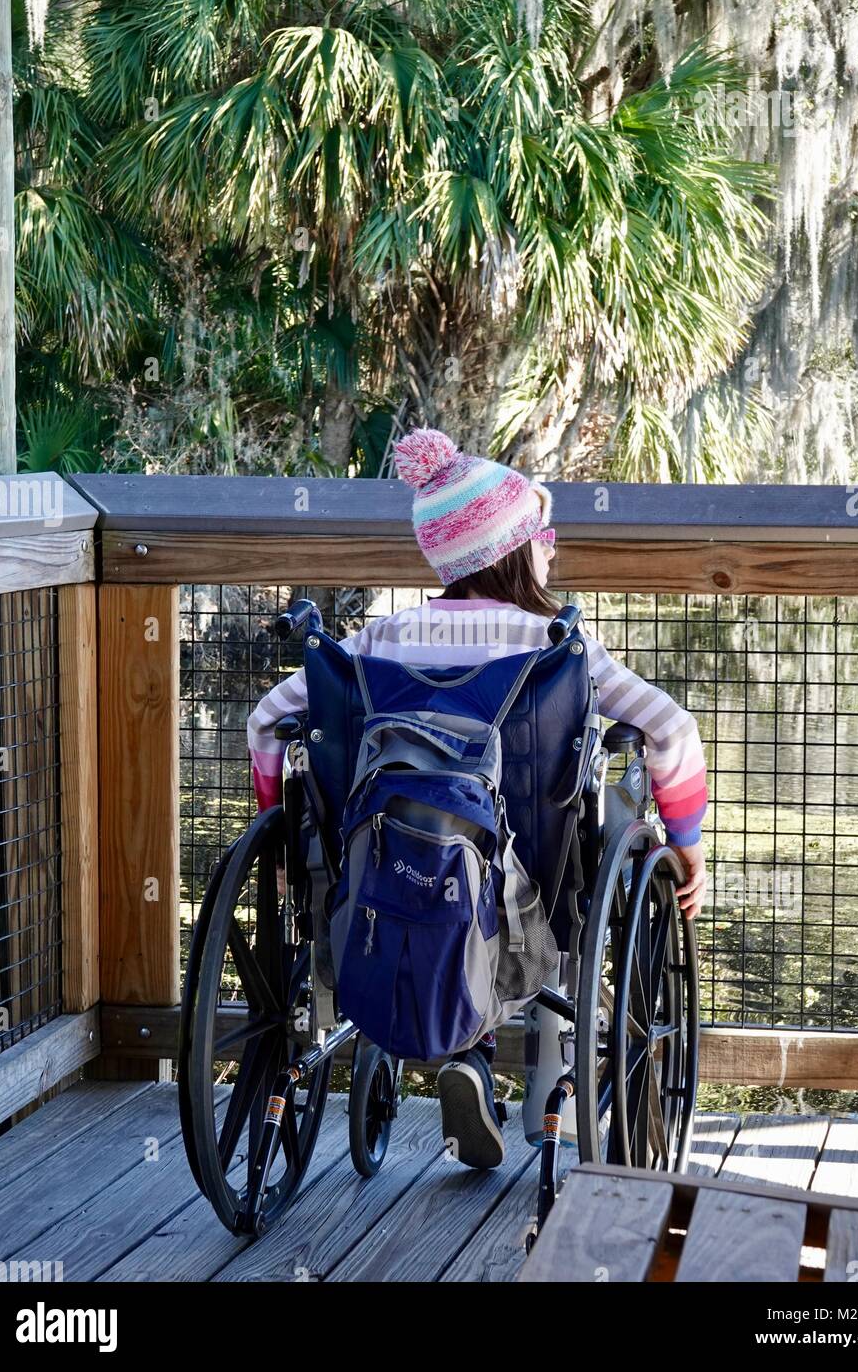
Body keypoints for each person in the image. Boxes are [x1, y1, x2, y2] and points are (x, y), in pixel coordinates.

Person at [247, 428, 708, 1168]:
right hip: (529, 908)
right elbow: (670, 729)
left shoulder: (378, 643)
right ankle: (508, 1071)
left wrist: (278, 836)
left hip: (377, 889)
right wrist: (685, 844)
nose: (551, 550)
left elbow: (268, 719)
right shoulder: (559, 650)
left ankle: (472, 1047)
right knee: (533, 866)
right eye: (542, 536)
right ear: (518, 550)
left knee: (445, 858)